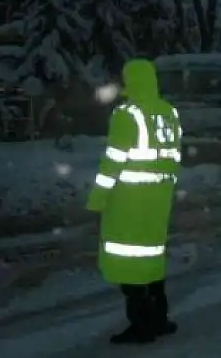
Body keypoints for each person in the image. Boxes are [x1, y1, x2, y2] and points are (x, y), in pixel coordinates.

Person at [87, 58, 183, 344]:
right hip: (159, 199)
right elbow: (174, 157)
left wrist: (98, 197)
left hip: (130, 200)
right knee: (152, 259)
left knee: (130, 262)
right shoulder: (169, 113)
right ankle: (159, 318)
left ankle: (141, 325)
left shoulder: (128, 114)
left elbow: (113, 160)